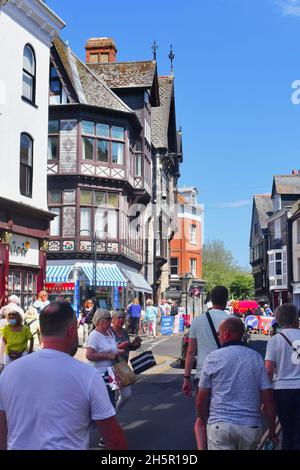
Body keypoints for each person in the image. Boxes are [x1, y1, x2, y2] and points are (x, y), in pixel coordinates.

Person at [0, 301, 127, 450]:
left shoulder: (8, 373)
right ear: (72, 331)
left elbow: (2, 431)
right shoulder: (88, 376)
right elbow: (113, 438)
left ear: (41, 330)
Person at [196, 317, 277, 450]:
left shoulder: (212, 358)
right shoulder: (255, 357)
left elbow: (200, 400)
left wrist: (205, 423)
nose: (219, 337)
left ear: (226, 333)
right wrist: (272, 432)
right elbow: (268, 398)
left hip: (220, 426)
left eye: (219, 333)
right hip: (250, 427)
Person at [182, 285, 230, 450]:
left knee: (201, 419)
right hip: (227, 375)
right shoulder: (233, 320)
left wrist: (186, 378)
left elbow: (190, 352)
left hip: (203, 375)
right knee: (224, 416)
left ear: (211, 299)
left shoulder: (198, 320)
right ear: (226, 300)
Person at [265, 303, 300, 450]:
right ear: (295, 318)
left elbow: (268, 371)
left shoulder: (275, 340)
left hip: (282, 390)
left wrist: (265, 396)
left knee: (286, 431)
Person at [86, 308, 128, 408]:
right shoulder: (94, 335)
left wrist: (118, 351)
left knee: (111, 401)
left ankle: (112, 421)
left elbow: (113, 349)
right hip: (100, 374)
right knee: (104, 404)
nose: (111, 320)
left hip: (111, 372)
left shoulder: (109, 333)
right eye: (109, 318)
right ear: (102, 320)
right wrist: (107, 355)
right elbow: (89, 355)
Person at [111, 310, 142, 412]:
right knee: (113, 396)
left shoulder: (124, 331)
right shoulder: (109, 332)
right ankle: (112, 420)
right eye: (118, 318)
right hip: (112, 368)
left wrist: (134, 345)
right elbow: (107, 349)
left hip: (123, 367)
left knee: (126, 394)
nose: (121, 320)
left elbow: (128, 347)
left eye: (123, 318)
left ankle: (114, 415)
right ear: (113, 319)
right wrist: (119, 346)